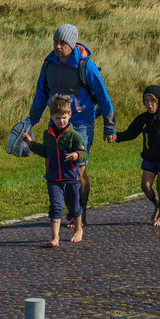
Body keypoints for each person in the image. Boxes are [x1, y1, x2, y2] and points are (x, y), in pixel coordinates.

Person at [25, 24, 116, 235]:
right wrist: (31, 119)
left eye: (62, 43)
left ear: (72, 44)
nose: (57, 46)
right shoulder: (48, 64)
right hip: (55, 123)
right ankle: (70, 210)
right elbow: (41, 93)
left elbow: (103, 97)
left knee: (78, 168)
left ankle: (79, 213)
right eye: (55, 42)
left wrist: (109, 127)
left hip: (81, 123)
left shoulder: (86, 66)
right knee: (57, 167)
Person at [112, 84, 160, 225]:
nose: (149, 105)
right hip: (150, 158)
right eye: (147, 101)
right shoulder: (143, 119)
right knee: (145, 186)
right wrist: (117, 137)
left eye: (153, 101)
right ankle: (157, 204)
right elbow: (131, 133)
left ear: (159, 101)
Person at [21, 94, 86, 247]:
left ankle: (78, 228)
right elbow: (45, 151)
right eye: (57, 118)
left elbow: (84, 154)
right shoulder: (47, 135)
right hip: (53, 178)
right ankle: (55, 237)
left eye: (64, 117)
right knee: (55, 206)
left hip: (71, 177)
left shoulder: (74, 136)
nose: (61, 121)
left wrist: (76, 154)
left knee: (73, 206)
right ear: (51, 117)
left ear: (69, 115)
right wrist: (30, 144)